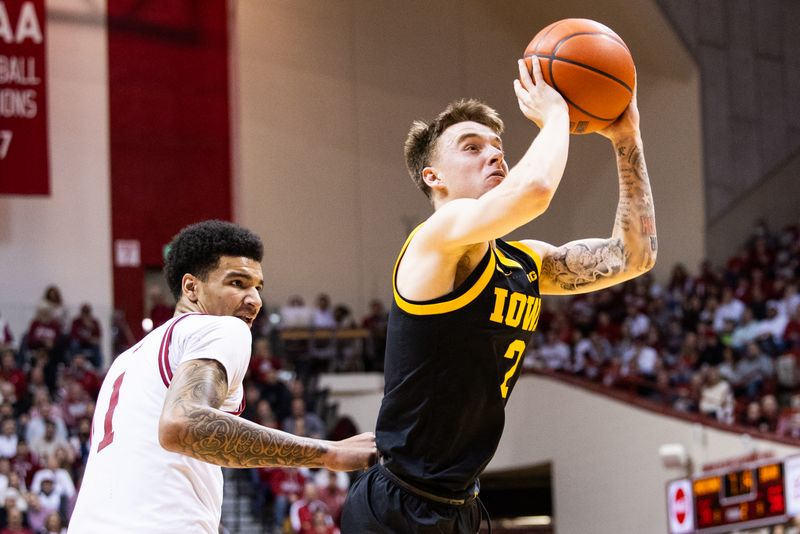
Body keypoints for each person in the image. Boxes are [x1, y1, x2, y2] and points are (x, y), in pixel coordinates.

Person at [342, 58, 656, 532]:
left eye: (498, 147)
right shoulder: (437, 238)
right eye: (472, 148)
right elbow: (535, 190)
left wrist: (626, 137)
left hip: (461, 504)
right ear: (433, 177)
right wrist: (556, 115)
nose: (495, 156)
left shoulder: (523, 262)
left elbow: (633, 256)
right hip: (396, 503)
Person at [68, 220, 376, 533]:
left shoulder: (126, 361)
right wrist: (328, 453)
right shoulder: (223, 328)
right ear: (191, 288)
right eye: (238, 283)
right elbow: (182, 425)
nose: (255, 299)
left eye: (258, 287)